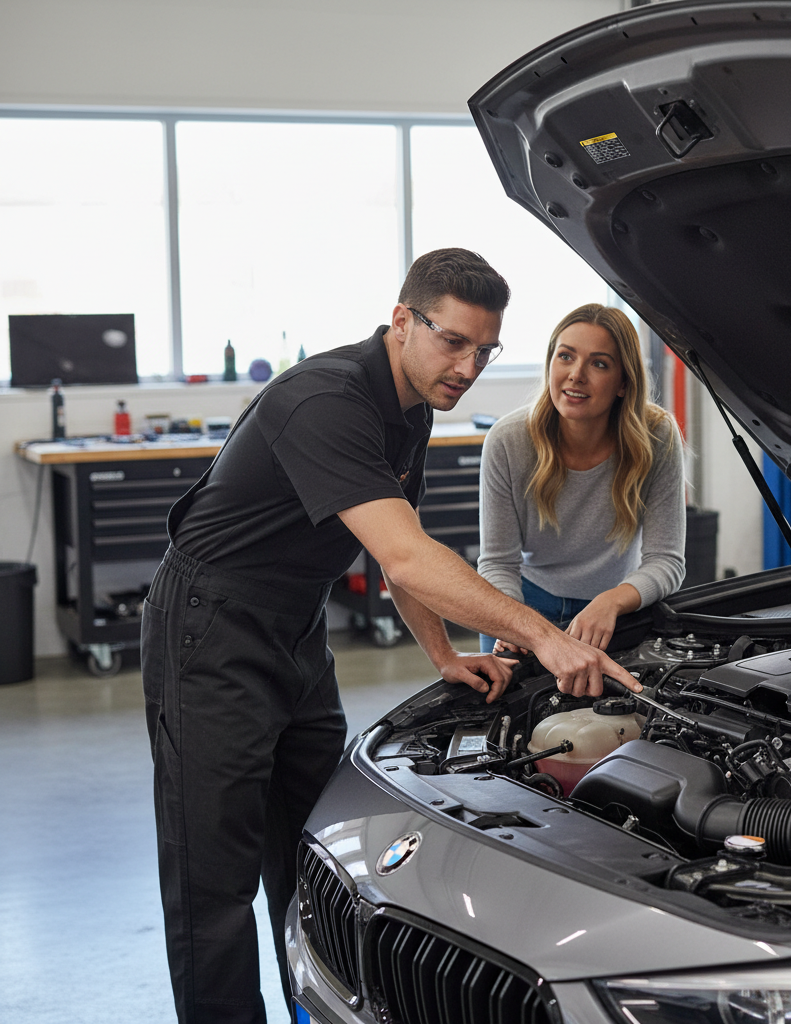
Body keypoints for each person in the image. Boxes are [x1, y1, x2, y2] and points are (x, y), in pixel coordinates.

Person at [140, 249, 640, 1024]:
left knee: (311, 849)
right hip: (210, 626)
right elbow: (408, 555)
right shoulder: (324, 402)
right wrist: (544, 637)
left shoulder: (409, 411)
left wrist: (443, 656)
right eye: (453, 342)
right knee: (215, 874)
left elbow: (396, 554)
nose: (468, 366)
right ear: (402, 320)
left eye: (485, 350)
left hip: (296, 630)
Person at [478, 302, 686, 654]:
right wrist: (515, 624)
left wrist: (613, 602)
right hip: (523, 604)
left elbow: (666, 560)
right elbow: (498, 562)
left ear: (623, 383)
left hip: (618, 608)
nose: (576, 374)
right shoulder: (508, 441)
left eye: (599, 363)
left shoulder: (657, 436)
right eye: (565, 356)